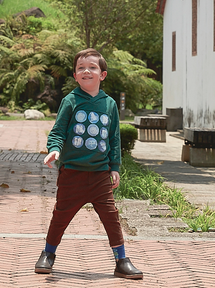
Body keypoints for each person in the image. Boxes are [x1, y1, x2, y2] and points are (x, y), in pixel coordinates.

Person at [34, 48, 143, 280]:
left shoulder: (109, 104)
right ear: (75, 76)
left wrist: (115, 167)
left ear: (102, 74)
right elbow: (58, 132)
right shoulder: (70, 101)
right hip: (72, 173)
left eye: (92, 67)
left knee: (111, 217)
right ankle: (48, 254)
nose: (86, 71)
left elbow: (114, 139)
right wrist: (54, 150)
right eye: (81, 68)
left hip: (100, 175)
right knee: (61, 216)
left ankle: (121, 260)